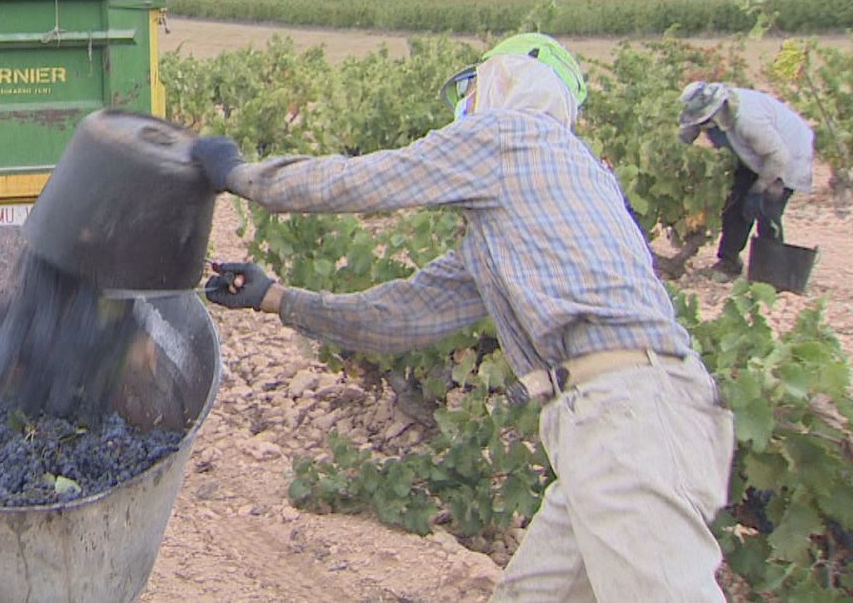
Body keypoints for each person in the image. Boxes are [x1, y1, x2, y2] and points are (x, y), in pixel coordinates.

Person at [191, 33, 735, 601]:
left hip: (629, 419)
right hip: (611, 424)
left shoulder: (512, 134)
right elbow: (403, 315)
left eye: (476, 84)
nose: (468, 102)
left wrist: (240, 176)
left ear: (505, 78)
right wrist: (277, 298)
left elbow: (368, 180)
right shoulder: (531, 207)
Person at [677, 81, 814, 278]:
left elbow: (778, 157)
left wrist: (759, 188)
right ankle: (729, 262)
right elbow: (686, 134)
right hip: (752, 154)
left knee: (766, 208)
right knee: (735, 205)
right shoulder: (707, 108)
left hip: (787, 155)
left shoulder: (748, 121)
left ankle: (772, 273)